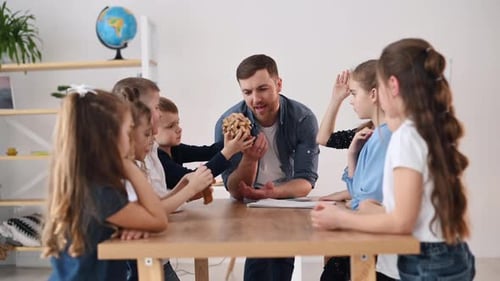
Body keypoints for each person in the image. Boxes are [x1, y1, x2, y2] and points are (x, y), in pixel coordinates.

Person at [311, 38, 475, 280]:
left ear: (393, 86)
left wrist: (340, 218)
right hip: (446, 256)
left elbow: (401, 223)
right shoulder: (422, 128)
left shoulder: (405, 138)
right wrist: (366, 205)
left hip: (425, 263)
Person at [41, 88, 168, 281]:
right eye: (128, 131)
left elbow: (146, 214)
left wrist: (138, 224)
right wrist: (127, 164)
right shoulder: (99, 192)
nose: (131, 139)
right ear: (110, 138)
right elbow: (159, 219)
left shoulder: (90, 182)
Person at [214, 54, 319, 281]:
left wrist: (271, 194)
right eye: (247, 92)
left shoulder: (302, 119)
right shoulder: (229, 122)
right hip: (247, 204)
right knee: (260, 264)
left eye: (262, 89)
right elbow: (234, 188)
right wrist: (249, 160)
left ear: (278, 84)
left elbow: (305, 181)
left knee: (282, 266)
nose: (255, 99)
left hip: (286, 199)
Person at [112, 78, 214, 281]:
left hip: (153, 257)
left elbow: (154, 207)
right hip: (139, 261)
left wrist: (185, 185)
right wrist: (188, 188)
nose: (158, 114)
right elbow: (155, 214)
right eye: (156, 107)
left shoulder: (145, 155)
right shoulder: (124, 168)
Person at [317, 60, 396, 280]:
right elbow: (361, 195)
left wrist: (351, 205)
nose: (351, 101)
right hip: (375, 234)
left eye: (353, 94)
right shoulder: (371, 136)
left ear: (373, 94)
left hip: (385, 249)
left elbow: (366, 201)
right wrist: (352, 156)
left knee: (335, 267)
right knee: (334, 261)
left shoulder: (385, 138)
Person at [156, 97, 254, 189]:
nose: (179, 129)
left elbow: (208, 152)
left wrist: (234, 139)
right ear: (151, 130)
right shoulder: (158, 159)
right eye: (170, 126)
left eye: (177, 123)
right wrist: (227, 152)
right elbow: (192, 178)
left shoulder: (175, 148)